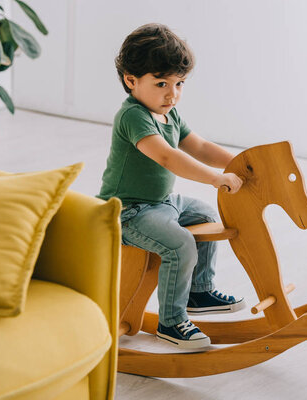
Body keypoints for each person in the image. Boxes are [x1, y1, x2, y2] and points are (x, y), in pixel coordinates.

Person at [98, 23, 244, 349]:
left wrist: (239, 164)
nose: (172, 93)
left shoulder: (170, 114)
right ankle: (172, 322)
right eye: (162, 83)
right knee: (179, 245)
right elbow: (167, 157)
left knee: (206, 213)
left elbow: (201, 147)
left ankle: (200, 291)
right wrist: (216, 178)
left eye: (179, 83)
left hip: (162, 201)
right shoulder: (133, 116)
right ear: (131, 80)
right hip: (128, 210)